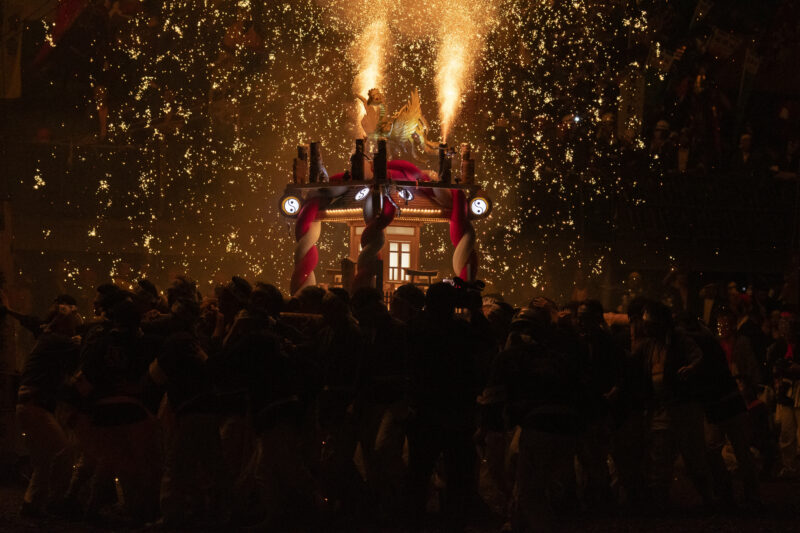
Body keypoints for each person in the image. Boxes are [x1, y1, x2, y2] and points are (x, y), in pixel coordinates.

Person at [16, 304, 82, 516]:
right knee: (64, 451)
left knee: (44, 459)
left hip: (32, 406)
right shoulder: (56, 341)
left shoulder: (51, 340)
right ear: (61, 323)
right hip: (35, 406)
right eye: (72, 317)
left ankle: (31, 504)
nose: (75, 317)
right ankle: (56, 501)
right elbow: (81, 346)